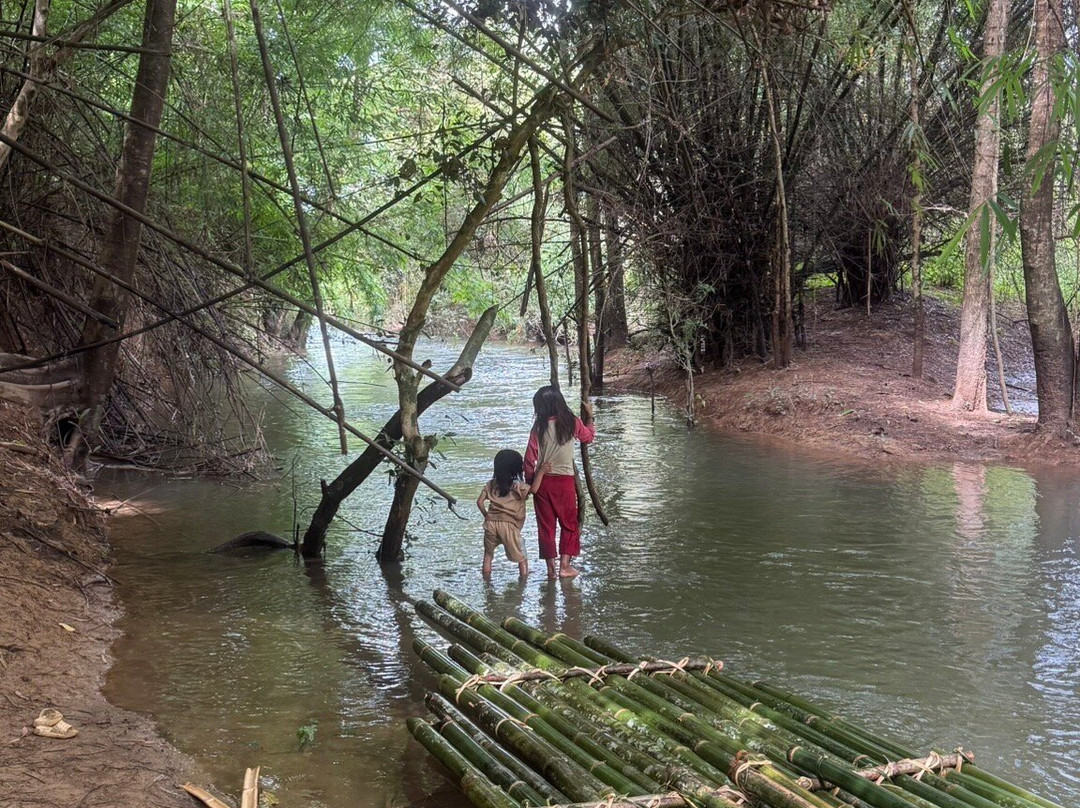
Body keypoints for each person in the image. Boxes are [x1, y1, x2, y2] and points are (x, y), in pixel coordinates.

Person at [523, 385, 595, 579]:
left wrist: (531, 482)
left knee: (546, 527)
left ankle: (551, 570)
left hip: (543, 482)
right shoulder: (572, 422)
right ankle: (565, 566)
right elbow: (588, 438)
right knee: (569, 525)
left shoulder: (538, 427)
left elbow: (529, 459)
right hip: (565, 482)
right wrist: (590, 416)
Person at [476, 449, 550, 579]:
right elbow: (534, 490)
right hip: (510, 526)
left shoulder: (490, 484)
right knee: (521, 556)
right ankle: (524, 580)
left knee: (488, 555)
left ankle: (486, 582)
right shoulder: (518, 487)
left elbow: (479, 502)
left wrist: (486, 515)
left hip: (490, 524)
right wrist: (541, 472)